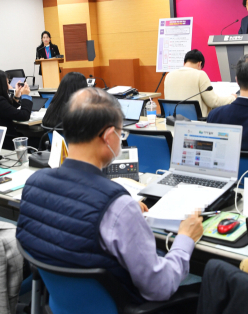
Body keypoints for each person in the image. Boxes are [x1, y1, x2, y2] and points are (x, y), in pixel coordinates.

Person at [17, 88, 203, 303]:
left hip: (62, 304)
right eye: (121, 134)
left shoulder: (34, 185)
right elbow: (159, 287)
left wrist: (123, 210)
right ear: (107, 137)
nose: (121, 139)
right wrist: (185, 239)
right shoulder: (118, 207)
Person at [164, 49, 235, 117]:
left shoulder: (168, 76)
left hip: (172, 121)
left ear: (184, 63)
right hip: (195, 124)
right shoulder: (200, 74)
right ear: (200, 64)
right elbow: (214, 102)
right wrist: (232, 98)